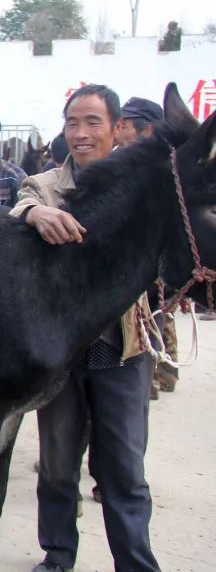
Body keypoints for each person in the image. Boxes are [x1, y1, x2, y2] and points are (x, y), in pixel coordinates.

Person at [11, 84, 160, 572]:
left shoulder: (143, 187)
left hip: (122, 350)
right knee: (56, 466)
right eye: (73, 122)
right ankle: (57, 557)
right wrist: (36, 214)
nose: (81, 133)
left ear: (117, 128)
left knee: (124, 471)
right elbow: (20, 203)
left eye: (93, 122)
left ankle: (135, 562)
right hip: (63, 354)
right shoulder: (47, 185)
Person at [115, 96, 179, 397]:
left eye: (125, 125)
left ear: (147, 131)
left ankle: (153, 379)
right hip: (124, 275)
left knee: (152, 321)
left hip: (153, 274)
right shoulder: (117, 167)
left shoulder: (166, 176)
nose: (118, 130)